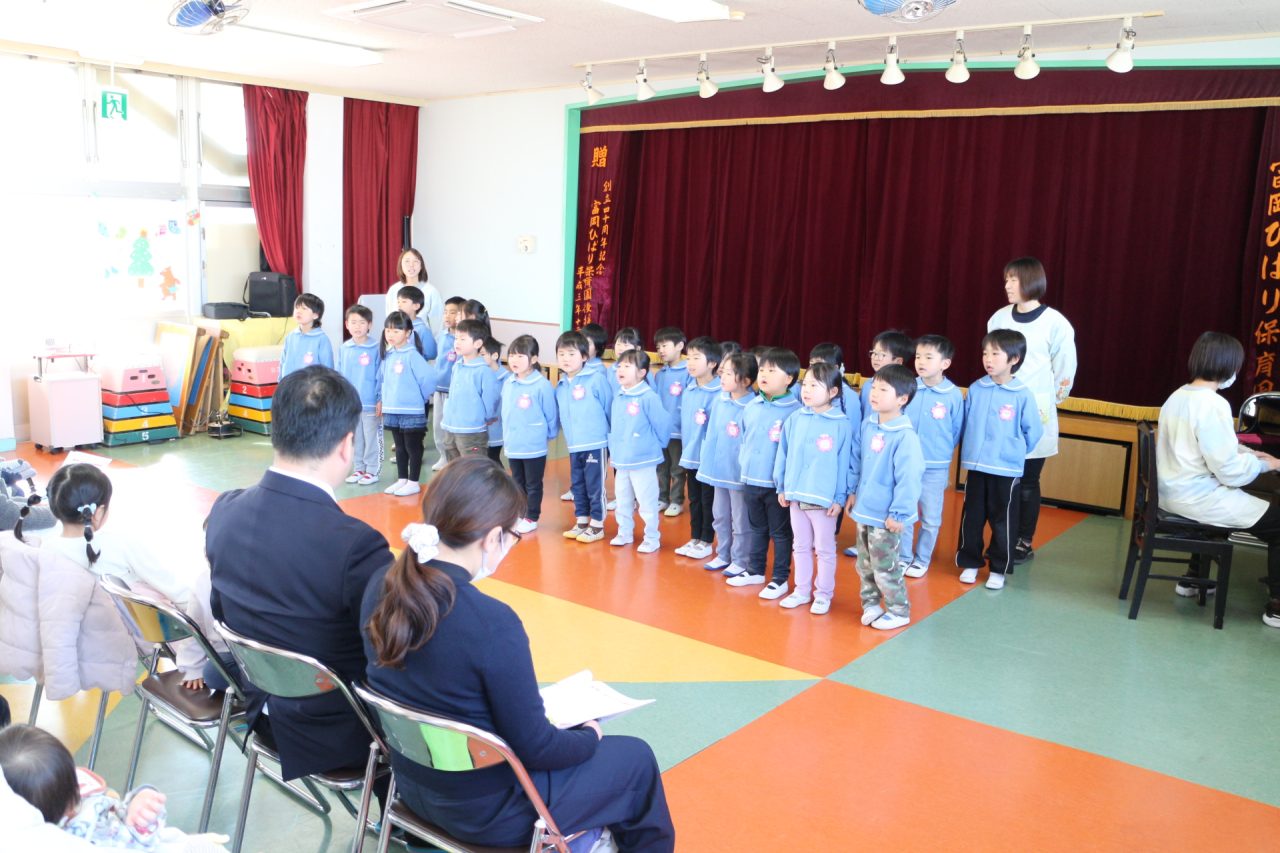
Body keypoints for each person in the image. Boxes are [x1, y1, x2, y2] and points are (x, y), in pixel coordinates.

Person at [361, 457, 675, 851]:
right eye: (513, 536)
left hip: (412, 788)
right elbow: (538, 748)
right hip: (489, 812)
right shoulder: (491, 622)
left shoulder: (381, 585)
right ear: (493, 537)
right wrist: (589, 734)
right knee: (635, 759)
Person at [206, 366, 394, 783]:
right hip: (338, 730)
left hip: (259, 707)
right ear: (346, 445)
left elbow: (221, 612)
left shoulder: (225, 511)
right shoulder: (356, 545)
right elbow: (388, 658)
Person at [19, 463, 212, 688]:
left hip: (82, 643)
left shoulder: (47, 550)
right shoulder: (120, 543)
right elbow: (177, 592)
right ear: (98, 512)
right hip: (142, 637)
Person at [1157, 332, 1280, 627]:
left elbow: (1205, 447)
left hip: (1172, 493)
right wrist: (1265, 464)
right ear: (1227, 366)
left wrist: (1246, 453)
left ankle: (1193, 579)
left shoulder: (1178, 396)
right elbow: (1230, 472)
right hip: (1197, 498)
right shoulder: (1213, 404)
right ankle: (1277, 605)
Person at [0, 725, 229, 851]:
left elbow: (115, 805)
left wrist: (133, 803)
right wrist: (140, 819)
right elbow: (139, 844)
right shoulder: (89, 836)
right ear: (68, 805)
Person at [987, 257, 1077, 564]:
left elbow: (1065, 369)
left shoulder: (1055, 323)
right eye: (1006, 280)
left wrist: (1049, 402)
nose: (1007, 285)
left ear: (1031, 282)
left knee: (1027, 481)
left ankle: (1023, 541)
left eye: (1014, 280)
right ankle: (1001, 537)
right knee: (1000, 479)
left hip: (1036, 412)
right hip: (1001, 410)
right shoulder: (999, 318)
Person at [955, 330, 1043, 590]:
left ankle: (998, 568)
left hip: (1006, 469)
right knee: (972, 517)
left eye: (995, 354)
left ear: (1013, 359)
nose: (988, 359)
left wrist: (1013, 450)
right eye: (985, 353)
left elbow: (1033, 431)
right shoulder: (976, 388)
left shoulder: (1021, 394)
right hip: (976, 466)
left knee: (1003, 520)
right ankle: (970, 562)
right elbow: (965, 423)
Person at [846, 364, 925, 630]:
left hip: (887, 515)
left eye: (883, 389)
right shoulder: (869, 425)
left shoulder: (905, 436)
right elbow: (856, 461)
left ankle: (898, 610)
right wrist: (852, 492)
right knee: (865, 563)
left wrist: (899, 513)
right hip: (865, 508)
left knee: (885, 565)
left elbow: (909, 478)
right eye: (874, 387)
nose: (874, 393)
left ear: (902, 399)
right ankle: (870, 604)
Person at [774, 362, 854, 615]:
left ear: (833, 392)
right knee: (800, 545)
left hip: (823, 498)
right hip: (796, 494)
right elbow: (783, 454)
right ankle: (801, 590)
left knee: (824, 549)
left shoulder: (841, 424)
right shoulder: (795, 418)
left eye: (814, 385)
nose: (806, 390)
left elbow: (844, 463)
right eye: (805, 384)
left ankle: (823, 594)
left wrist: (839, 498)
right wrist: (782, 486)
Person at [729, 348, 802, 598]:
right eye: (762, 370)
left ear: (789, 379)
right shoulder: (752, 405)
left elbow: (793, 454)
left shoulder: (795, 412)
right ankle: (755, 570)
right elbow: (744, 439)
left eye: (772, 371)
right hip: (751, 479)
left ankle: (780, 579)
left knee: (780, 533)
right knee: (756, 528)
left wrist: (785, 485)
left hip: (776, 485)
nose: (764, 375)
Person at [900, 334, 965, 577]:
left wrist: (940, 451)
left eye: (928, 357)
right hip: (906, 463)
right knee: (904, 512)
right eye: (918, 356)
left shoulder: (953, 394)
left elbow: (956, 430)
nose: (921, 362)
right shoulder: (908, 386)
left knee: (930, 516)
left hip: (935, 466)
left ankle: (922, 558)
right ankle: (903, 556)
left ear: (945, 363)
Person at [696, 352, 755, 575]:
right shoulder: (720, 401)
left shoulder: (752, 407)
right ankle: (723, 554)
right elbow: (711, 436)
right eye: (723, 371)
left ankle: (740, 559)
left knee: (740, 520)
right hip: (719, 471)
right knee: (720, 515)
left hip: (738, 474)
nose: (722, 376)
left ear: (745, 381)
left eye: (729, 373)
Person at [609, 350, 670, 554]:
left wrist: (652, 446)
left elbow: (662, 424)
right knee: (622, 498)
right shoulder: (619, 395)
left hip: (643, 458)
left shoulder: (648, 397)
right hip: (622, 458)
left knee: (646, 501)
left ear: (642, 372)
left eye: (627, 366)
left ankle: (652, 537)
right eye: (619, 366)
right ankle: (624, 532)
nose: (621, 369)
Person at [555, 331, 613, 544]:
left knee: (595, 485)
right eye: (561, 354)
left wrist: (611, 438)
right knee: (577, 484)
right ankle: (581, 521)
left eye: (571, 354)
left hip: (596, 443)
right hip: (574, 445)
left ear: (585, 357)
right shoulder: (561, 385)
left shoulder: (596, 379)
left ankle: (597, 525)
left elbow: (609, 408)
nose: (566, 359)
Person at [377, 312, 439, 498]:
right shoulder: (388, 354)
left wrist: (421, 397)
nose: (391, 334)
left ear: (408, 333)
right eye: (388, 330)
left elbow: (429, 379)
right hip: (393, 409)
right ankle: (402, 479)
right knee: (399, 447)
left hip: (411, 409)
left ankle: (413, 482)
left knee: (413, 446)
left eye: (396, 331)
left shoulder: (412, 355)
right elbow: (383, 381)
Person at [501, 335, 558, 534]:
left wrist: (549, 434)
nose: (514, 360)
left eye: (520, 356)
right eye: (511, 355)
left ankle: (532, 516)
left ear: (533, 359)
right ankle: (520, 513)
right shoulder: (509, 382)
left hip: (534, 444)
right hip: (513, 443)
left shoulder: (541, 384)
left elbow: (551, 413)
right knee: (517, 482)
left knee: (533, 483)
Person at [674, 337, 722, 561]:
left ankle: (706, 541)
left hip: (708, 458)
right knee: (694, 498)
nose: (690, 363)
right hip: (690, 454)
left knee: (707, 500)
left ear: (712, 363)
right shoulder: (690, 389)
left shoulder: (720, 392)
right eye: (689, 358)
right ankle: (695, 537)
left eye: (696, 358)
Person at [440, 319, 500, 462]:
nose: (457, 342)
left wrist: (487, 417)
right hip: (450, 426)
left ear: (477, 344)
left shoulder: (483, 371)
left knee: (474, 467)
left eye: (463, 339)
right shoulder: (457, 366)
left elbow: (491, 398)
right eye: (456, 338)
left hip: (472, 430)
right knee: (454, 467)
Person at [339, 305, 383, 487]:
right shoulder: (344, 348)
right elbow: (339, 375)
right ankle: (359, 468)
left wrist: (380, 398)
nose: (357, 326)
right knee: (355, 437)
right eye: (353, 322)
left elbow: (380, 375)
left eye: (362, 322)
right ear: (346, 325)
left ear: (370, 325)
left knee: (371, 437)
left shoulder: (376, 348)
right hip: (351, 403)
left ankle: (372, 470)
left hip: (370, 403)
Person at [649, 327, 689, 517]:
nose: (661, 350)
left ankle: (676, 500)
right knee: (661, 466)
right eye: (658, 347)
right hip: (661, 430)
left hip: (678, 430)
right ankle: (662, 497)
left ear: (680, 346)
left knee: (677, 469)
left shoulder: (688, 372)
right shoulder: (660, 374)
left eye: (665, 345)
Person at [430, 296, 466, 472]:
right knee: (438, 424)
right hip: (440, 387)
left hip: (454, 390)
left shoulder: (463, 339)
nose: (447, 316)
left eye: (453, 312)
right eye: (445, 312)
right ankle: (443, 456)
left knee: (452, 426)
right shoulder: (443, 335)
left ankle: (454, 457)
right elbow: (439, 361)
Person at [386, 248, 444, 337]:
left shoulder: (431, 291)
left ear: (421, 266)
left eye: (415, 261)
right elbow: (390, 320)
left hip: (422, 340)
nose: (411, 265)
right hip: (398, 342)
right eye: (407, 261)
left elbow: (437, 325)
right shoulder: (393, 290)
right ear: (401, 265)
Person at [858, 330, 913, 416]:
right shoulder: (868, 384)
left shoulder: (904, 388)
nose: (875, 357)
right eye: (874, 353)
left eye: (882, 354)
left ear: (898, 361)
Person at [279, 294, 333, 378]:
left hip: (311, 385)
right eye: (297, 307)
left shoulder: (321, 339)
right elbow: (282, 362)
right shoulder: (291, 336)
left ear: (315, 315)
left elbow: (328, 368)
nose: (298, 311)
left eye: (304, 308)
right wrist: (281, 382)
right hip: (289, 383)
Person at [481, 336, 510, 463]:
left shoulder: (506, 378)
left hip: (497, 428)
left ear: (495, 356)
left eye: (482, 354)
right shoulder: (481, 373)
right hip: (482, 428)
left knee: (492, 458)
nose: (479, 358)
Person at [395, 285, 439, 362]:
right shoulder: (396, 326)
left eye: (404, 302)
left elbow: (431, 353)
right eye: (398, 302)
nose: (399, 305)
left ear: (416, 306)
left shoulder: (422, 330)